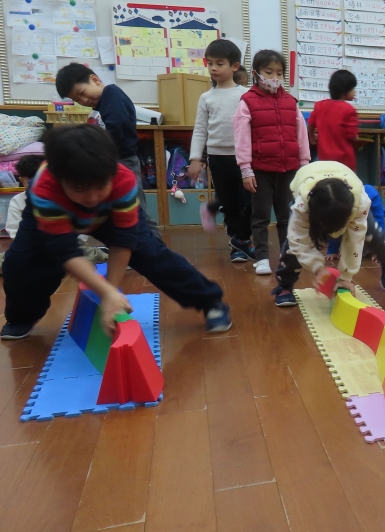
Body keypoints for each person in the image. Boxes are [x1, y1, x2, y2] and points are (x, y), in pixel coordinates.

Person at [1, 125, 231, 340]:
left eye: (100, 186)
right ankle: (23, 316)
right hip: (54, 214)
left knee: (152, 255)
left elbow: (122, 242)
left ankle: (210, 301)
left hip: (110, 214)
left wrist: (110, 293)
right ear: (59, 179)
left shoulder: (123, 181)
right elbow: (64, 250)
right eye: (79, 188)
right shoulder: (44, 188)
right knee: (21, 262)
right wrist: (107, 294)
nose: (92, 197)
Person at [55, 62, 161, 239]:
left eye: (82, 93)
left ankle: (157, 249)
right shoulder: (102, 104)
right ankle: (134, 248)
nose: (83, 101)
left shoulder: (112, 95)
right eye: (77, 100)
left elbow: (115, 130)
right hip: (114, 162)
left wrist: (97, 155)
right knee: (121, 211)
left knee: (136, 210)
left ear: (95, 80)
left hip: (124, 162)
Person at [272, 161, 385, 306]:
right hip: (308, 188)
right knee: (292, 245)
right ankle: (284, 285)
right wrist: (318, 268)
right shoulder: (301, 208)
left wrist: (346, 277)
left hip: (349, 197)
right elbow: (298, 241)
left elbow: (355, 241)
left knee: (374, 234)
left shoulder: (360, 203)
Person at [234, 49, 311, 276]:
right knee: (260, 216)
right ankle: (262, 258)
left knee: (287, 216)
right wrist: (246, 169)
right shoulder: (247, 101)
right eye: (269, 72)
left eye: (279, 73)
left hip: (288, 169)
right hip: (260, 169)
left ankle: (288, 258)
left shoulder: (290, 102)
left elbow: (301, 135)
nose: (274, 77)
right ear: (256, 74)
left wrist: (304, 165)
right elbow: (241, 137)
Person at [187, 39, 254, 263]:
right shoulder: (206, 98)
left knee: (248, 201)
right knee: (229, 204)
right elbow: (200, 130)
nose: (213, 68)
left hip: (244, 158)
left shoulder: (247, 95)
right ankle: (237, 244)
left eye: (219, 63)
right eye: (210, 63)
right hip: (217, 158)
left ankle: (243, 238)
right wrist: (196, 158)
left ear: (235, 66)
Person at [310, 69, 360, 170]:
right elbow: (352, 136)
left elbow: (310, 124)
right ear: (344, 90)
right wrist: (358, 138)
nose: (355, 92)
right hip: (344, 163)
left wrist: (311, 137)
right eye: (353, 88)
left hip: (324, 161)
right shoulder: (349, 109)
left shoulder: (319, 106)